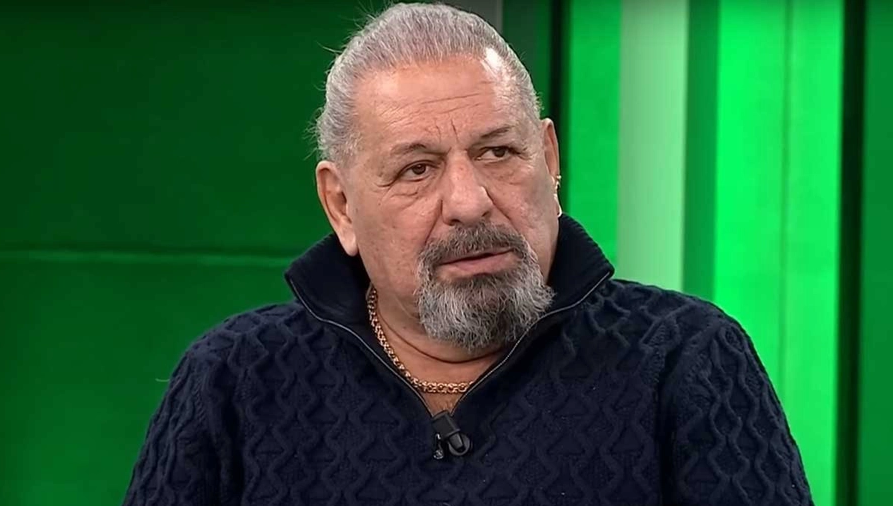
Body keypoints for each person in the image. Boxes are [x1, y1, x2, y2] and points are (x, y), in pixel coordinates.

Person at [122, 3, 812, 505]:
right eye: (417, 169)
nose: (469, 201)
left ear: (549, 159)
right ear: (341, 205)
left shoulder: (686, 360)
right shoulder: (235, 380)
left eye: (498, 152)